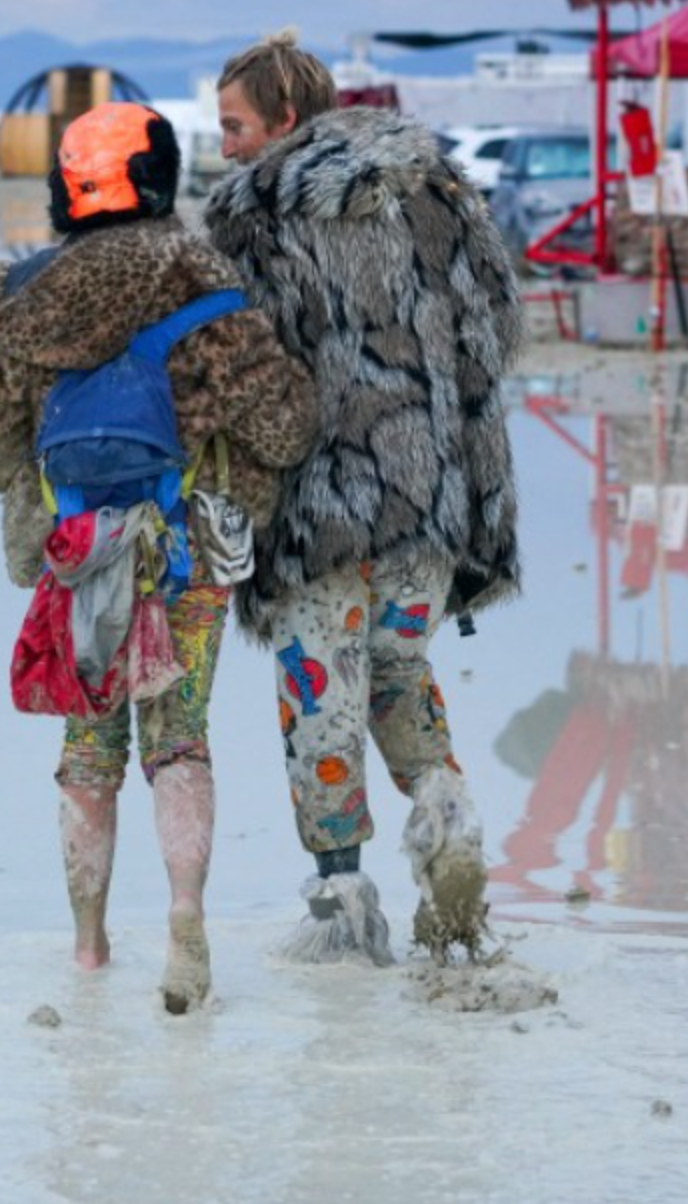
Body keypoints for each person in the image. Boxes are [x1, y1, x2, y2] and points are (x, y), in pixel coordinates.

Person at [0, 102, 315, 1013]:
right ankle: (186, 918)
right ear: (157, 178)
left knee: (88, 749)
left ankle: (86, 950)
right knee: (180, 736)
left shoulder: (27, 297)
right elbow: (284, 422)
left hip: (74, 556)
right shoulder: (202, 280)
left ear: (66, 187)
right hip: (185, 550)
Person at [204, 33, 525, 963]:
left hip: (321, 505)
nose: (223, 146)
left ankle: (343, 902)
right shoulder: (441, 190)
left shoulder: (257, 212)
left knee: (321, 698)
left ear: (285, 121)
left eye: (233, 126)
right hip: (434, 496)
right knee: (398, 674)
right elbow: (496, 329)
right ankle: (447, 821)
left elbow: (245, 375)